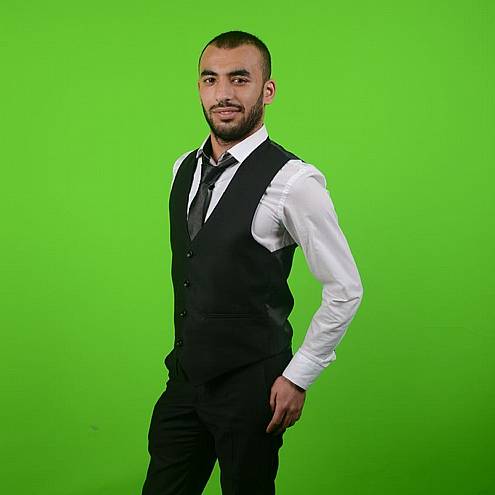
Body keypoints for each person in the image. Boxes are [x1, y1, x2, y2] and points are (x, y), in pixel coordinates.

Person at [141, 30, 364, 495]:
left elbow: (344, 288)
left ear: (268, 90)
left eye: (239, 79)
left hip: (253, 386)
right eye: (211, 79)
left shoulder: (294, 182)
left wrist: (299, 376)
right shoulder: (182, 168)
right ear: (200, 88)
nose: (223, 93)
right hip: (185, 380)